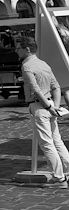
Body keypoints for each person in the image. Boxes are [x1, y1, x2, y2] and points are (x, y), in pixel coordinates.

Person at [16, 36, 69, 189]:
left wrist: (48, 107)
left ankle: (59, 178)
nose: (16, 51)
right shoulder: (43, 64)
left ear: (27, 49)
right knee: (57, 141)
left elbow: (36, 90)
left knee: (47, 144)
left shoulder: (27, 66)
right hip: (50, 104)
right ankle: (66, 172)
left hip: (40, 107)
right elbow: (56, 86)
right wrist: (55, 106)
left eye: (18, 48)